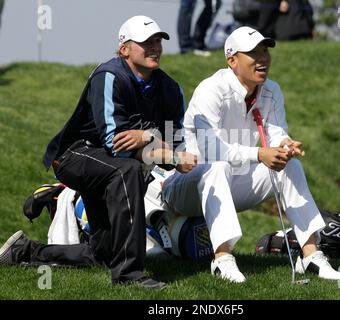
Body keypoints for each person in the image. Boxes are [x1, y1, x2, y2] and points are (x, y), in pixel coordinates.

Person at [0, 15, 196, 289]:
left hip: (110, 165)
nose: (154, 47)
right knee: (127, 171)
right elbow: (116, 143)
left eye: (157, 41)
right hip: (75, 155)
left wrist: (151, 140)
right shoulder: (109, 75)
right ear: (124, 49)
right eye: (145, 42)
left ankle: (24, 251)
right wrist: (158, 143)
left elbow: (176, 140)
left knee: (102, 254)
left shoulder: (171, 89)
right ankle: (130, 275)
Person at [161, 26, 340, 283]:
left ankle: (311, 256)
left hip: (233, 185)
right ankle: (222, 259)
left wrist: (285, 144)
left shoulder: (272, 90)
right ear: (232, 60)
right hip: (186, 187)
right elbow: (212, 150)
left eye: (265, 51)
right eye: (253, 53)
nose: (262, 59)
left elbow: (275, 132)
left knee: (290, 167)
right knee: (217, 167)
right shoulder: (211, 90)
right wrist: (260, 154)